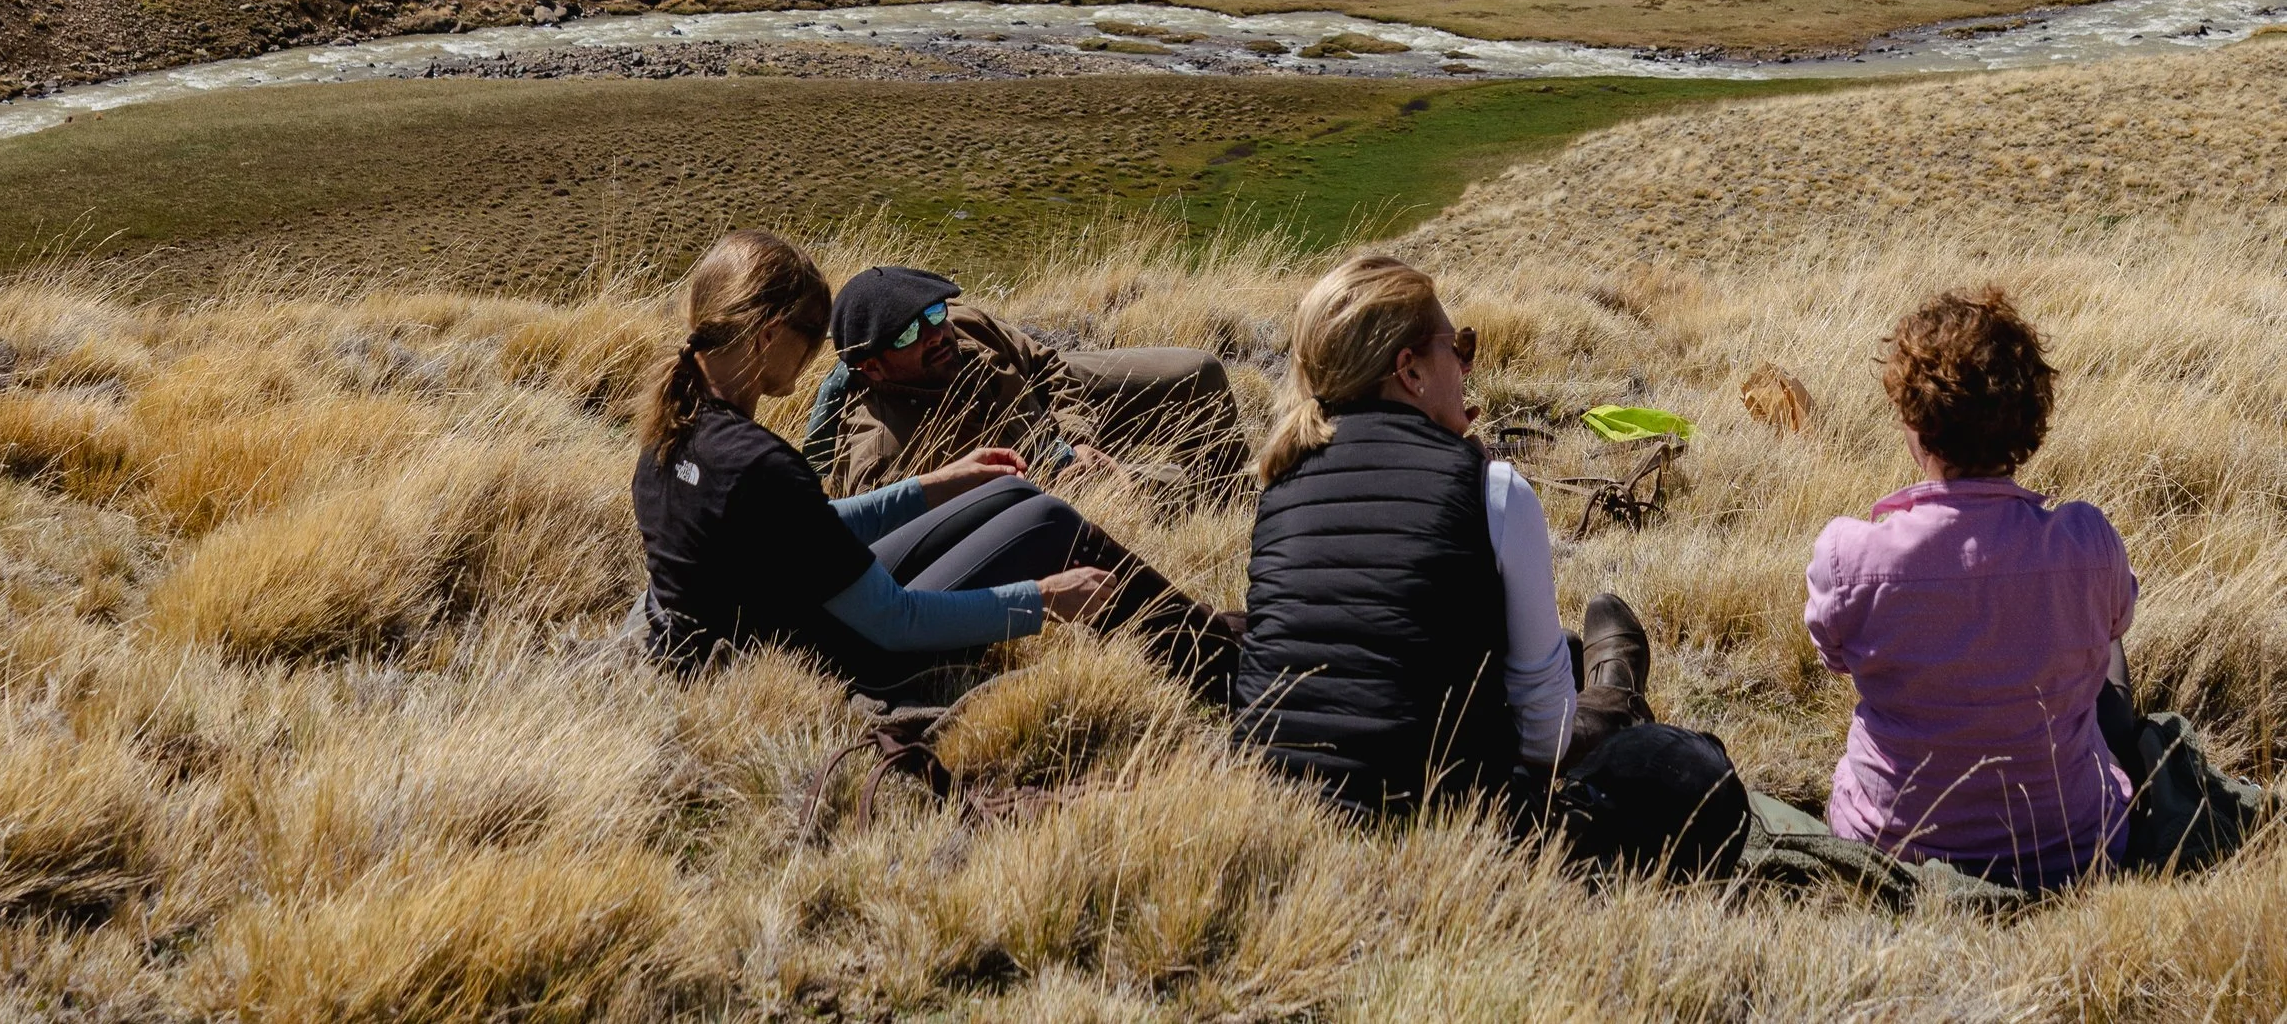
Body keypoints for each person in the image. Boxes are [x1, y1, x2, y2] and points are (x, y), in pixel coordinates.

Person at [1233, 248, 1745, 875]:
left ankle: (1610, 691)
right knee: (1699, 771)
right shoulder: (1492, 490)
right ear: (1410, 370)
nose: (1468, 365)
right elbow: (1545, 741)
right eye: (1461, 346)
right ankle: (1616, 700)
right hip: (1448, 842)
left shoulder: (1280, 484)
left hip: (1282, 826)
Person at [631, 230, 1236, 701]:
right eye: (813, 333)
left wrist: (938, 484)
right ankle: (1228, 668)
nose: (820, 352)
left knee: (1007, 495)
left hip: (789, 622)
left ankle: (1206, 637)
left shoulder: (674, 430)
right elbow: (896, 623)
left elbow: (808, 526)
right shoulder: (759, 463)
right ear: (766, 336)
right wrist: (1044, 600)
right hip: (844, 658)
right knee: (1047, 521)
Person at [1805, 286, 2137, 888]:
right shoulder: (2087, 543)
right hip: (2070, 849)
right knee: (2106, 635)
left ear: (1913, 419)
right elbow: (2117, 622)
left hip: (1891, 849)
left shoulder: (1849, 556)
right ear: (2029, 419)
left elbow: (1832, 657)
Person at [802, 263, 1252, 502]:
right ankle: (1215, 501)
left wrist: (1076, 439)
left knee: (1200, 370)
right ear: (872, 368)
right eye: (906, 333)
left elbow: (1048, 365)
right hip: (1035, 492)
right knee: (1166, 486)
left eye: (932, 313)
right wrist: (1058, 481)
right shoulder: (882, 448)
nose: (935, 334)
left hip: (1054, 426)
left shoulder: (963, 326)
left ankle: (1231, 486)